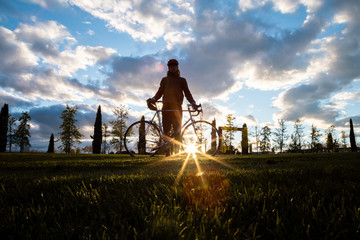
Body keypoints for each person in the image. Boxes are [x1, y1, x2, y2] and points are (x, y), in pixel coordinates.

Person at [147, 59, 197, 156]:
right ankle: (167, 153)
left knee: (178, 131)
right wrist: (154, 98)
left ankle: (177, 152)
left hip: (177, 108)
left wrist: (193, 102)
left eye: (174, 66)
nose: (172, 67)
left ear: (177, 67)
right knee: (166, 131)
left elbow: (187, 93)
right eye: (170, 66)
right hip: (166, 107)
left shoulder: (182, 80)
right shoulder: (164, 80)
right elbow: (160, 92)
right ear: (168, 68)